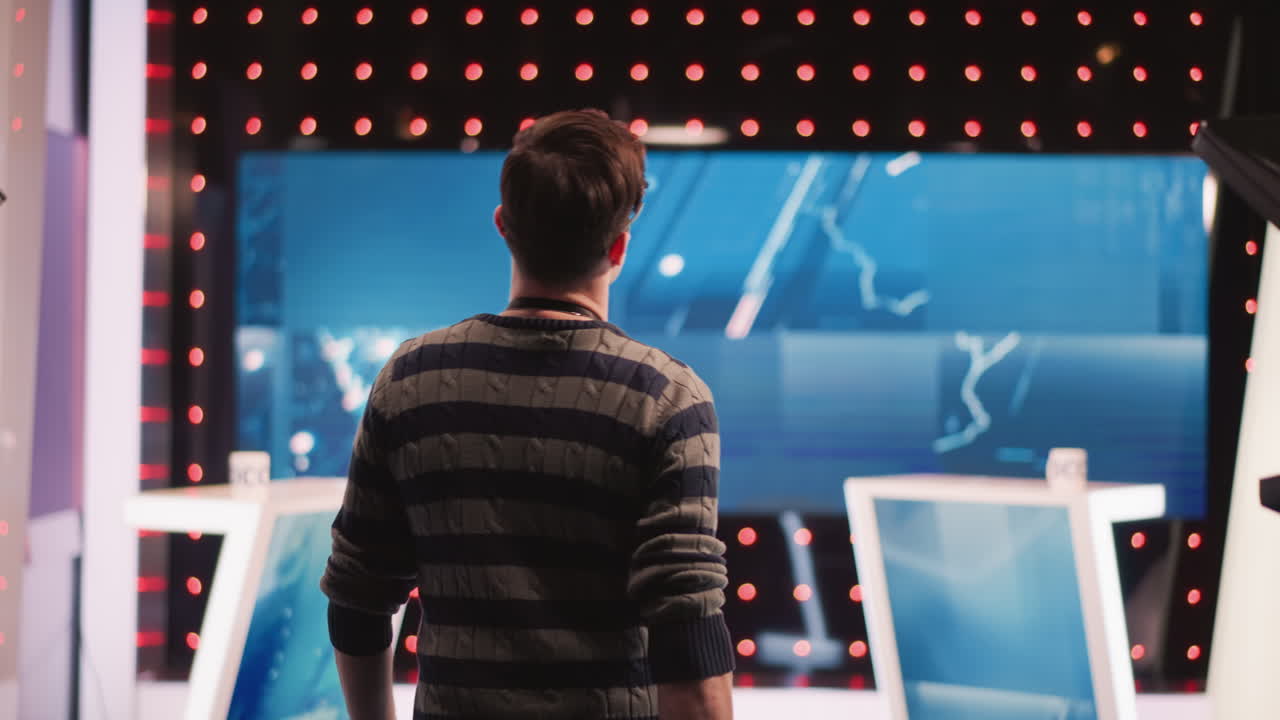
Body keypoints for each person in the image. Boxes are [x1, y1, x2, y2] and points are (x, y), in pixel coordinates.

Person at [321, 109, 734, 720]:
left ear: (503, 226)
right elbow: (688, 646)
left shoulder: (410, 379)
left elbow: (357, 598)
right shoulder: (668, 397)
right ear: (618, 247)